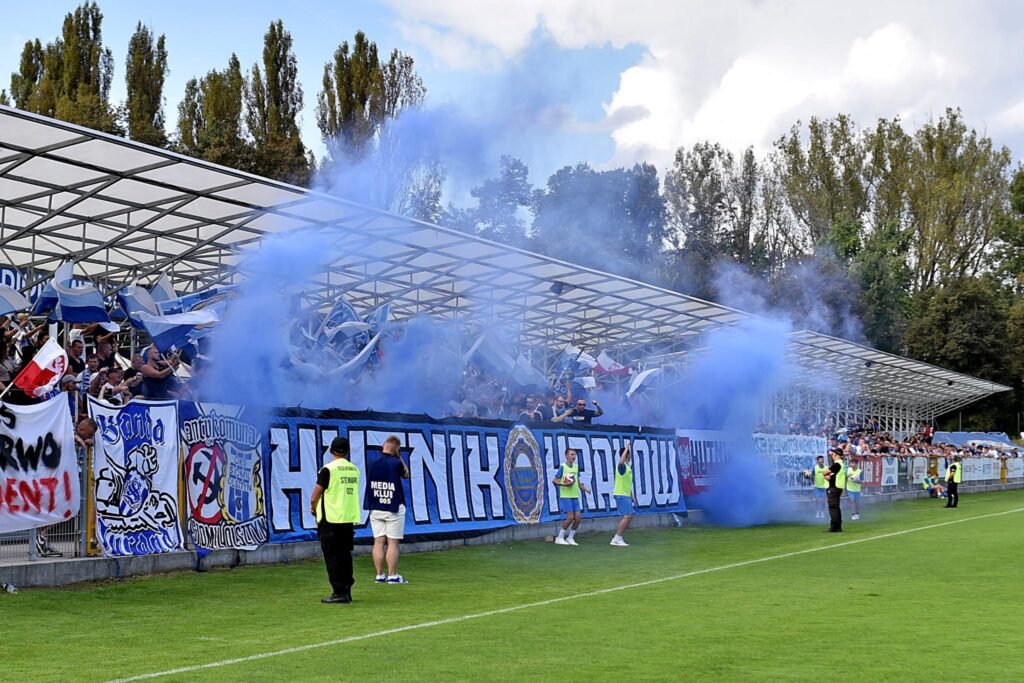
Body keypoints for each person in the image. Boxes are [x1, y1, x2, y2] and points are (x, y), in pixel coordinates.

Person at [309, 437, 361, 604]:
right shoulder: (354, 469)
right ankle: (347, 589)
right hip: (347, 518)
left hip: (330, 518)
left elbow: (317, 492)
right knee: (345, 555)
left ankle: (338, 591)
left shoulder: (328, 470)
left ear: (331, 450)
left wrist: (313, 506)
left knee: (332, 556)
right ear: (347, 452)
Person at [364, 435, 410, 585]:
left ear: (383, 445)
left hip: (375, 505)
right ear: (396, 449)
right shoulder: (396, 463)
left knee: (378, 541)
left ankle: (379, 575)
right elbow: (406, 474)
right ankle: (392, 575)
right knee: (392, 542)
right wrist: (400, 457)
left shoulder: (371, 462)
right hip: (392, 507)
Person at [553, 448, 590, 545]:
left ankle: (570, 537)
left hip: (575, 496)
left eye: (574, 455)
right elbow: (555, 480)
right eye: (572, 454)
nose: (574, 457)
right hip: (566, 496)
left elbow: (577, 482)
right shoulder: (563, 467)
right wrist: (564, 484)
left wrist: (586, 489)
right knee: (570, 518)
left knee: (578, 518)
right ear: (566, 456)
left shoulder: (576, 467)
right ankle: (559, 537)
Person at [610, 443, 636, 547]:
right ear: (627, 455)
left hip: (626, 494)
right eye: (629, 454)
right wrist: (627, 447)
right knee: (627, 516)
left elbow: (627, 483)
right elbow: (621, 461)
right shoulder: (622, 467)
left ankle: (619, 537)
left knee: (630, 516)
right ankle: (616, 538)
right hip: (621, 494)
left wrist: (632, 495)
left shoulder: (628, 468)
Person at [823, 449, 845, 532]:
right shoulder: (842, 464)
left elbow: (826, 472)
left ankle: (834, 527)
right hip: (838, 488)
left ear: (835, 455)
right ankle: (838, 526)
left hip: (833, 488)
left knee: (833, 508)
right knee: (836, 508)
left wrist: (824, 475)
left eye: (833, 454)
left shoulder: (837, 464)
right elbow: (832, 475)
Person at [812, 455, 828, 519]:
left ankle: (822, 512)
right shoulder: (815, 468)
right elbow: (811, 475)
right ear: (817, 461)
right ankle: (818, 512)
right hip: (817, 487)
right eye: (820, 459)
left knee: (823, 501)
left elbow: (829, 475)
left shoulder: (826, 468)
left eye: (822, 459)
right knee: (818, 500)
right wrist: (808, 475)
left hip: (824, 487)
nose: (822, 460)